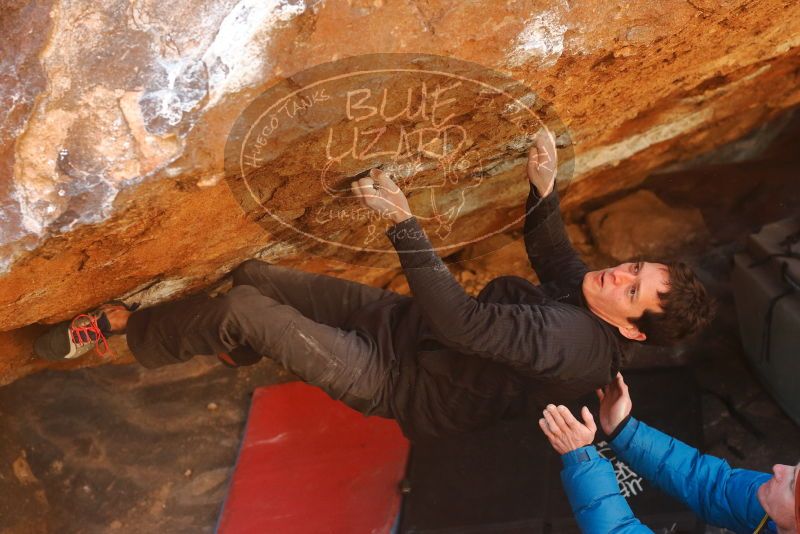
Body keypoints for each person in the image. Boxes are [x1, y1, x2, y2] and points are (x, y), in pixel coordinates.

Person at [34, 129, 714, 439]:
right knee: (254, 276)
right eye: (634, 269)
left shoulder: (571, 341)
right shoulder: (589, 298)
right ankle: (234, 343)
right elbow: (554, 253)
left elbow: (465, 326)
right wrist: (542, 185)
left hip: (401, 382)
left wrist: (404, 225)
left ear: (629, 328)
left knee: (244, 307)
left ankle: (124, 329)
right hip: (409, 330)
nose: (620, 274)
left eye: (633, 290)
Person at [538, 373, 800, 533]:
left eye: (791, 486)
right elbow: (712, 486)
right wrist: (624, 430)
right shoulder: (773, 505)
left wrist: (581, 460)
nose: (778, 469)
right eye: (795, 470)